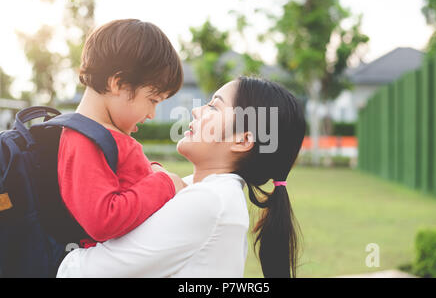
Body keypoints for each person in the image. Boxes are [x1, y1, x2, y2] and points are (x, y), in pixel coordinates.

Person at [57, 76, 306, 278]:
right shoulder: (197, 190)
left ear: (242, 140)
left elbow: (83, 273)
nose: (197, 111)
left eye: (214, 106)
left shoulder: (210, 201)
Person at [57, 19, 186, 248]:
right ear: (119, 83)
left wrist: (154, 171)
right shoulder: (84, 139)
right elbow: (103, 220)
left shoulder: (107, 136)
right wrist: (165, 184)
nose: (152, 114)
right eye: (152, 100)